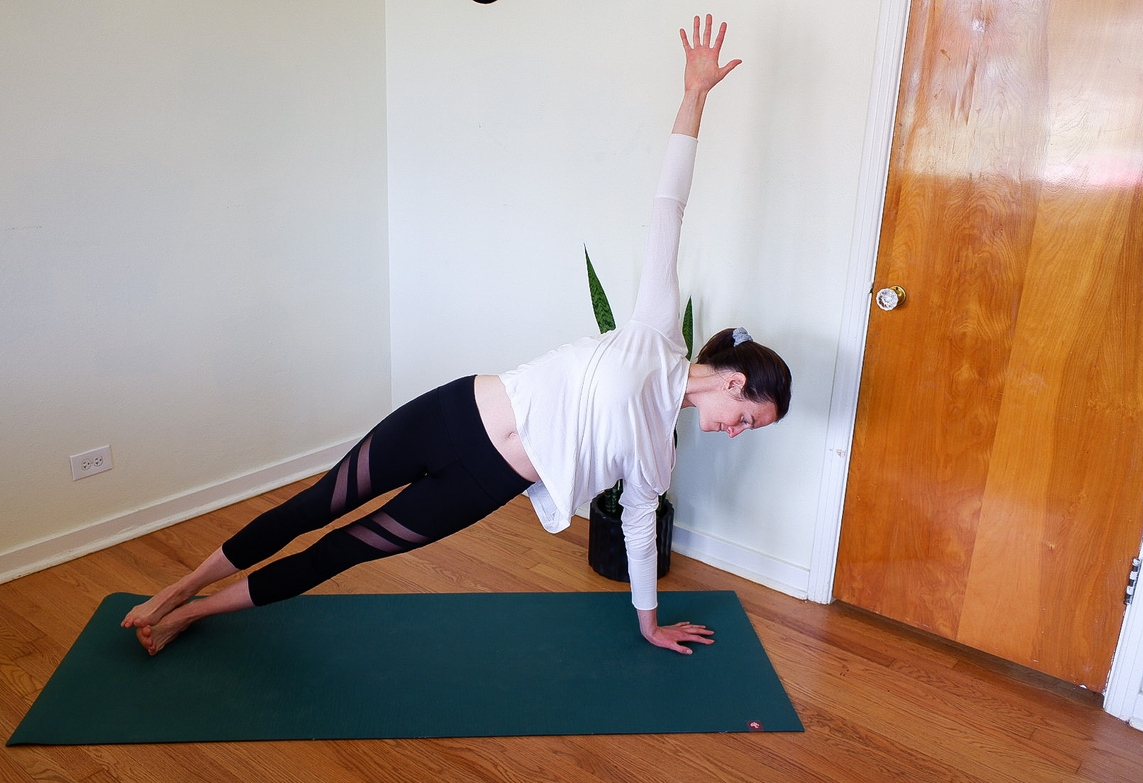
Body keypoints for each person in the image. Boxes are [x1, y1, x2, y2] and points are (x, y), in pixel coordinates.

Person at [122, 14, 791, 656]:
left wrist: (649, 626)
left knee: (340, 551)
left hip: (481, 484)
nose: (738, 431)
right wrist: (693, 96)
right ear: (735, 380)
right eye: (749, 418)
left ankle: (193, 615)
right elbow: (668, 208)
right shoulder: (654, 332)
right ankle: (174, 590)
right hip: (450, 415)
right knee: (313, 505)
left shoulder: (658, 457)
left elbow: (641, 532)